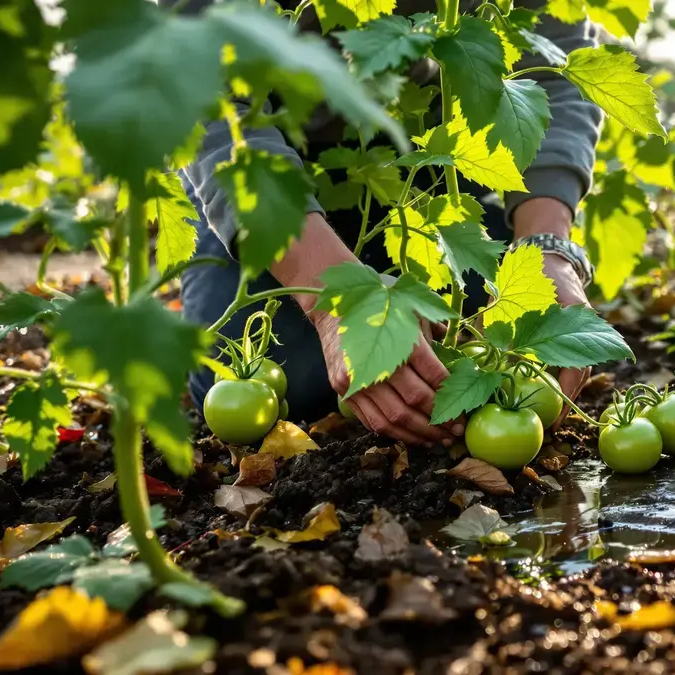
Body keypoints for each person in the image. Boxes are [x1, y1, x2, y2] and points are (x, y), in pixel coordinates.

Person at [165, 0, 604, 447]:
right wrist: (330, 296)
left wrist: (545, 247)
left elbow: (555, 57)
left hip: (411, 147)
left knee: (497, 327)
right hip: (262, 149)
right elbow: (196, 87)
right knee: (296, 383)